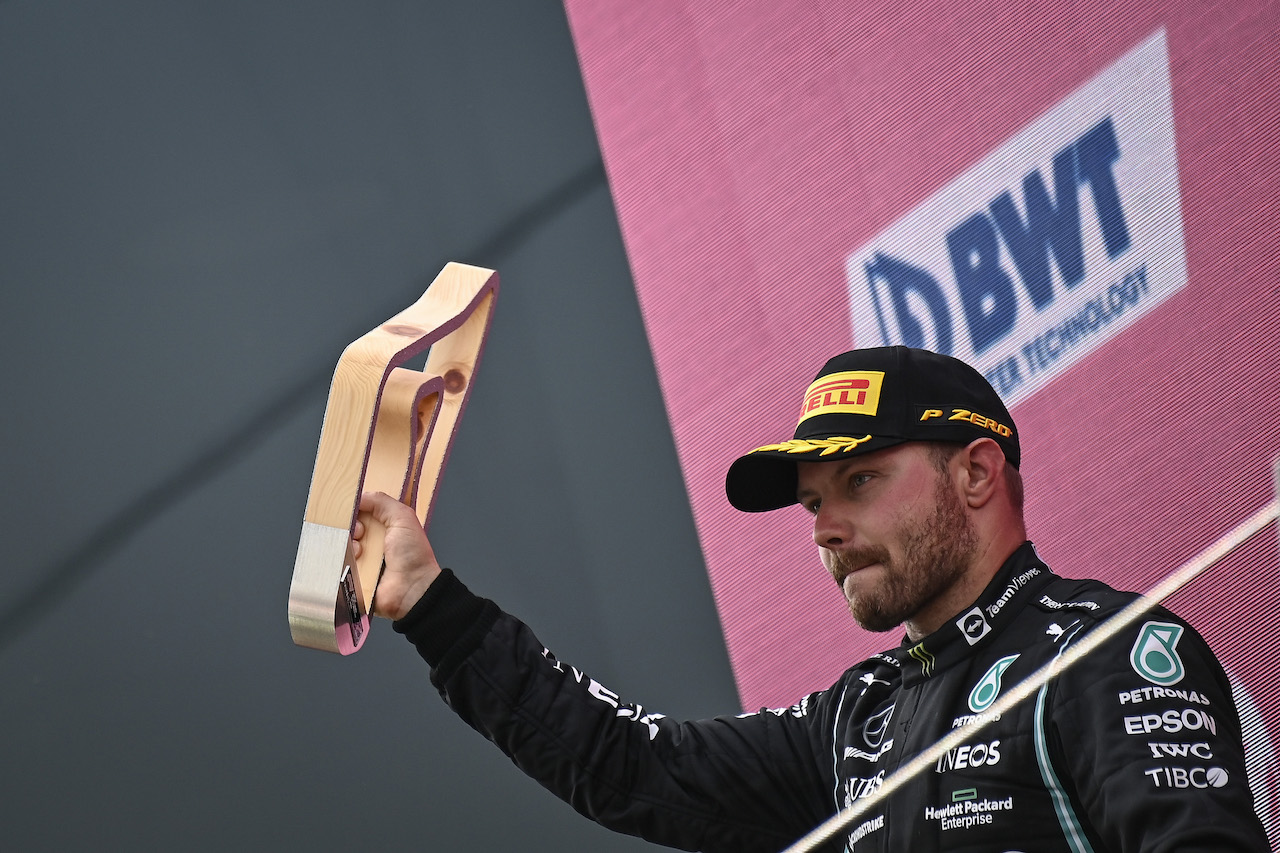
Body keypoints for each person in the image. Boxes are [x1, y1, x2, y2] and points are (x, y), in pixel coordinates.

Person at [356, 345, 1269, 852]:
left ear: (979, 473)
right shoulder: (855, 721)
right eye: (812, 502)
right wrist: (433, 607)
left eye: (861, 482)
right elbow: (630, 764)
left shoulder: (1101, 649)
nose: (825, 527)